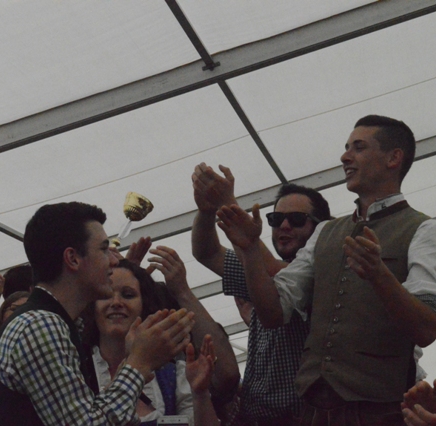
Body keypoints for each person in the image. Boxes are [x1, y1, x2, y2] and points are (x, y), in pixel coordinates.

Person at [218, 115, 436, 424]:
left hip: (380, 412)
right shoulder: (325, 232)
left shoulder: (424, 229)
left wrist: (379, 276)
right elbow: (272, 314)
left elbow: (426, 330)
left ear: (393, 158)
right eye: (347, 147)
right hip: (314, 411)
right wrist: (251, 249)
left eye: (358, 147)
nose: (345, 156)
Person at [0, 201, 195, 426]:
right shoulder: (41, 326)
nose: (114, 260)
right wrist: (139, 363)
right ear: (73, 258)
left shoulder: (50, 322)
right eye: (103, 250)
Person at [192, 163, 331, 425]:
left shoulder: (323, 271)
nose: (285, 226)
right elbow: (206, 252)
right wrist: (207, 211)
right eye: (276, 219)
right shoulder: (258, 270)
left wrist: (227, 204)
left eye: (297, 219)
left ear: (320, 229)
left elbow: (277, 273)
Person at [86, 258, 220, 426]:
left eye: (128, 295)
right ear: (92, 305)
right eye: (107, 294)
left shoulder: (173, 374)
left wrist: (200, 394)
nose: (116, 302)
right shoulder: (77, 369)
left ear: (144, 305)